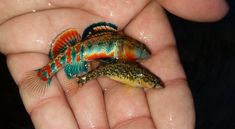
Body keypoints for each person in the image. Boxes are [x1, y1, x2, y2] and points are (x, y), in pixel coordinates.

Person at [0, 0, 228, 129]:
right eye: (140, 50)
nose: (142, 54)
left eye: (141, 50)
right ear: (127, 46)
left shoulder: (119, 52)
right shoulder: (117, 47)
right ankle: (45, 74)